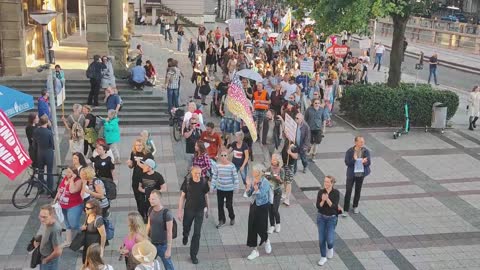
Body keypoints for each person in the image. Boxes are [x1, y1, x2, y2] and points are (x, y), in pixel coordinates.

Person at [177, 166, 210, 264]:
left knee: (197, 233)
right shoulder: (187, 182)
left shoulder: (204, 182)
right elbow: (182, 197)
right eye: (196, 173)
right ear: (191, 173)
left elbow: (206, 196)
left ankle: (193, 255)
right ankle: (185, 235)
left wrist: (208, 209)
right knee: (186, 226)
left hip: (199, 211)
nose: (198, 175)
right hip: (189, 210)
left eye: (199, 173)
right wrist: (180, 211)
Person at [245, 163, 272, 261]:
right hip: (253, 205)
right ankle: (255, 250)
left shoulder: (265, 182)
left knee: (261, 227)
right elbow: (248, 194)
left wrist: (256, 189)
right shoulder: (253, 180)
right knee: (252, 227)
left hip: (262, 207)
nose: (252, 172)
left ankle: (266, 239)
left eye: (254, 171)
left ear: (259, 173)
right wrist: (248, 187)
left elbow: (261, 195)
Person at [54, 166, 83, 247]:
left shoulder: (78, 181)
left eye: (70, 172)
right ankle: (68, 240)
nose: (67, 173)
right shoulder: (64, 179)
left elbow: (72, 190)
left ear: (75, 174)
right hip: (63, 205)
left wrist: (72, 180)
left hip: (74, 205)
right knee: (67, 224)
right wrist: (55, 200)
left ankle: (84, 233)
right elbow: (59, 189)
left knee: (74, 224)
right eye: (67, 171)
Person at [146, 190, 175, 270]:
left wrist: (168, 249)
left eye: (153, 199)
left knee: (169, 266)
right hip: (152, 244)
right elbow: (149, 225)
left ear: (159, 199)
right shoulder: (150, 209)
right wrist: (145, 239)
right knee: (148, 266)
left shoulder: (167, 213)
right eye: (150, 199)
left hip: (163, 245)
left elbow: (169, 232)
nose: (151, 201)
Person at [343, 136, 371, 216]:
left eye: (363, 142)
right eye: (361, 142)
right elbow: (347, 163)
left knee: (358, 190)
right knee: (348, 191)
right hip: (351, 174)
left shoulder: (366, 151)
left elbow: (369, 163)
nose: (362, 143)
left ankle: (355, 206)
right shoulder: (350, 151)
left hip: (360, 174)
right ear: (356, 142)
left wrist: (364, 162)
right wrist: (354, 160)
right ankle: (345, 209)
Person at [211, 148, 239, 228]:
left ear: (227, 156)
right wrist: (212, 186)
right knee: (220, 205)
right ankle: (221, 220)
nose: (223, 157)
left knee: (228, 205)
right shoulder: (217, 166)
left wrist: (236, 187)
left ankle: (232, 216)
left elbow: (235, 177)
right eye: (222, 155)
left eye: (225, 155)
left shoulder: (231, 166)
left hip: (229, 189)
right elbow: (215, 176)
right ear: (220, 156)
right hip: (220, 189)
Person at [316, 176, 340, 266]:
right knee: (321, 239)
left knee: (330, 240)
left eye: (327, 182)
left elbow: (334, 207)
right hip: (321, 217)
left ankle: (330, 248)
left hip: (332, 218)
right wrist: (322, 200)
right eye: (324, 181)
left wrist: (327, 199)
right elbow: (318, 206)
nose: (325, 183)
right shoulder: (320, 192)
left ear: (332, 183)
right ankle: (323, 257)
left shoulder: (336, 193)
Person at [80, 199, 107, 263]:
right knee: (85, 261)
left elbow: (103, 235)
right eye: (85, 207)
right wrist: (83, 227)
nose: (85, 209)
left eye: (88, 208)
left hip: (94, 245)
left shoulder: (98, 220)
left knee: (93, 263)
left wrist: (102, 249)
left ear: (94, 209)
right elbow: (85, 225)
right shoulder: (88, 214)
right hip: (87, 244)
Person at [36, 204, 63, 270]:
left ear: (51, 215)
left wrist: (46, 260)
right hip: (43, 257)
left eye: (44, 217)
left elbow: (58, 251)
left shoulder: (55, 229)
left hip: (49, 262)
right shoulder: (46, 222)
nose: (42, 219)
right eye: (40, 216)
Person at [33, 115, 55, 191]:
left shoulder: (36, 131)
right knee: (49, 172)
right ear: (47, 122)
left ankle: (40, 188)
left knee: (40, 171)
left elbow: (34, 144)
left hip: (40, 153)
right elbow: (52, 144)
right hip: (48, 153)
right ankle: (50, 190)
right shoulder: (49, 132)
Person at [265, 153, 284, 234]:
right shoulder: (269, 168)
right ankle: (272, 225)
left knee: (275, 209)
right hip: (269, 191)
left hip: (277, 191)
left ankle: (278, 224)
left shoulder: (281, 170)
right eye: (272, 159)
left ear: (277, 161)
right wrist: (266, 176)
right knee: (270, 209)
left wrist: (279, 178)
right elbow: (265, 177)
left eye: (274, 159)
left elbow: (282, 181)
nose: (272, 161)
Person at [228, 131, 250, 197]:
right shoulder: (234, 143)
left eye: (236, 137)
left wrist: (243, 166)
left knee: (244, 178)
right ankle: (229, 192)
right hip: (234, 164)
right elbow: (228, 151)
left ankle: (247, 191)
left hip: (242, 165)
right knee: (231, 178)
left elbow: (247, 157)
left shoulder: (244, 145)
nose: (235, 138)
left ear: (240, 138)